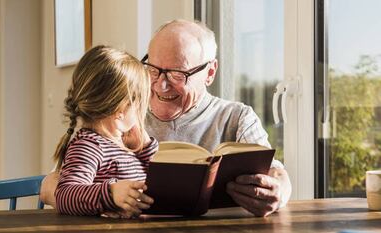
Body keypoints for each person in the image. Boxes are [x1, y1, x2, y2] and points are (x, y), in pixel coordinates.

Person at [41, 19, 291, 217]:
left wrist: (278, 192)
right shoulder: (123, 113)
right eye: (154, 69)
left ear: (210, 72)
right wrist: (106, 198)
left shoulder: (236, 117)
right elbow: (54, 187)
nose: (160, 86)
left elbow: (276, 175)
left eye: (176, 74)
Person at [51, 45, 158, 218]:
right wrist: (111, 194)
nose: (141, 113)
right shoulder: (89, 145)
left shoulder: (124, 145)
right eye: (139, 105)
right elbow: (65, 195)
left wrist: (146, 148)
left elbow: (155, 184)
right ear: (121, 110)